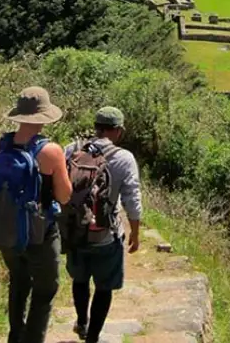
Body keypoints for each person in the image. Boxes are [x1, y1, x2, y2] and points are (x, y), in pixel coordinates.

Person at [0, 86, 72, 343]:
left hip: (6, 229)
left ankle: (15, 335)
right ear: (44, 117)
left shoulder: (0, 145)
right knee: (46, 289)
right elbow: (64, 196)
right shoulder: (51, 151)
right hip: (39, 234)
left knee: (19, 281)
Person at [64, 107, 142, 343]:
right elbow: (132, 198)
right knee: (104, 286)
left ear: (96, 125)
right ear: (118, 130)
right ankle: (93, 337)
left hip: (75, 230)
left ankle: (82, 322)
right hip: (105, 234)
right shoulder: (123, 158)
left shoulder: (72, 149)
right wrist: (135, 233)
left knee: (79, 279)